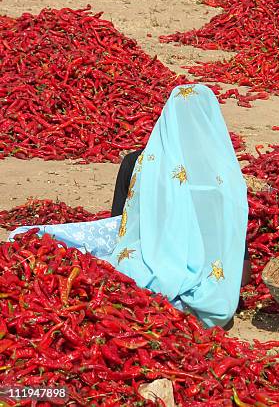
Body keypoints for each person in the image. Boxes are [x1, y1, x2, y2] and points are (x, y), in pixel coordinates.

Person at [9, 84, 249, 327]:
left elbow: (120, 226)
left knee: (48, 245)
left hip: (143, 279)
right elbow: (242, 266)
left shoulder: (137, 163)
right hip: (216, 302)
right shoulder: (227, 178)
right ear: (212, 122)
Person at [111, 149, 252, 287]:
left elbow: (116, 227)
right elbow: (243, 275)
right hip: (204, 269)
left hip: (143, 268)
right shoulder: (214, 166)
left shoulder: (136, 162)